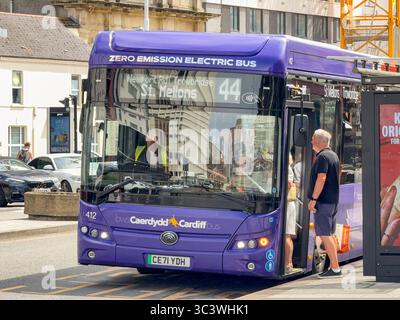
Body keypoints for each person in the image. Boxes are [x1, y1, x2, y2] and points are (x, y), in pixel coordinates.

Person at [307, 129, 342, 278]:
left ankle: (335, 268)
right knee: (330, 234)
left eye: (313, 139)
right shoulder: (333, 155)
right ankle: (334, 267)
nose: (311, 142)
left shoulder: (322, 157)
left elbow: (321, 179)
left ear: (320, 141)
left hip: (323, 202)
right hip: (332, 201)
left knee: (325, 235)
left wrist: (313, 199)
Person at [285, 155, 298, 274]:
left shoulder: (287, 168)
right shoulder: (286, 167)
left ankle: (288, 263)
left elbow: (289, 184)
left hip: (288, 204)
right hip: (285, 204)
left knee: (286, 235)